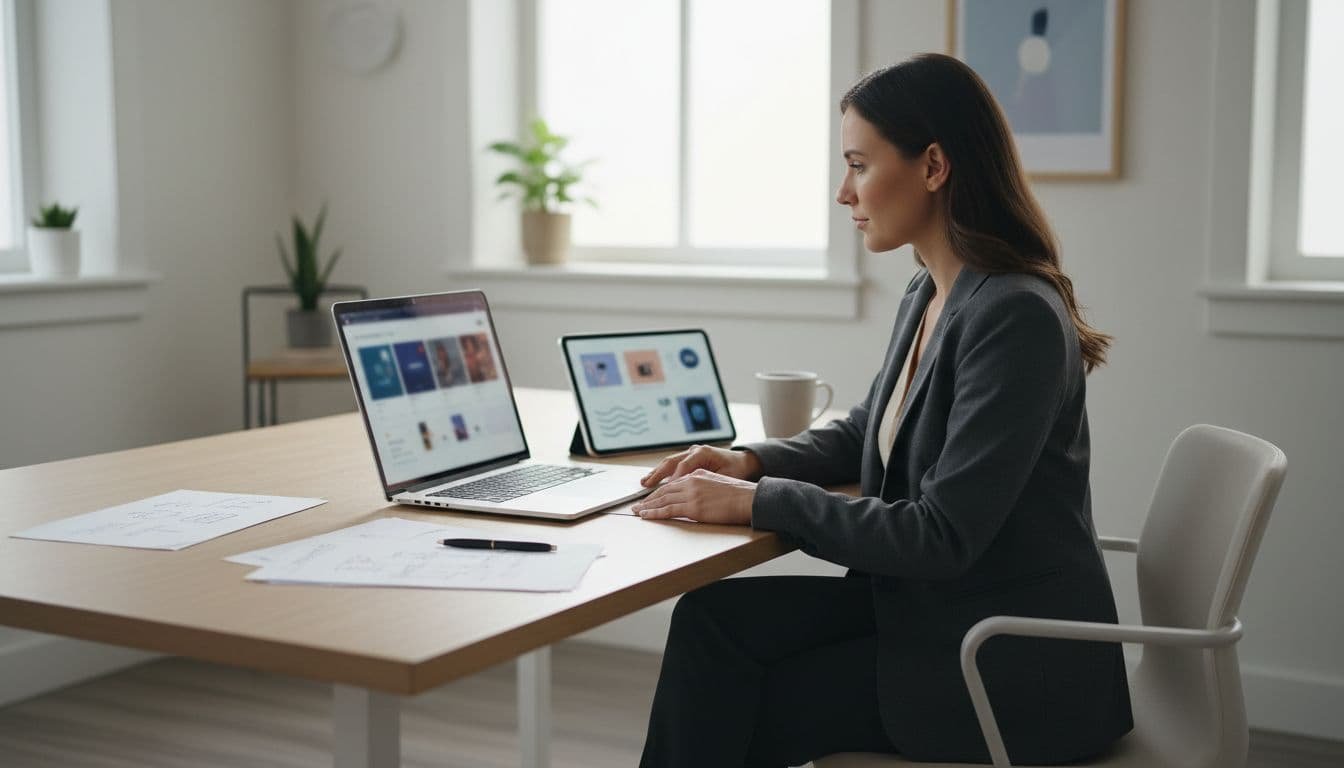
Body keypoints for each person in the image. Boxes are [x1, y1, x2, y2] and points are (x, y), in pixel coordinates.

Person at [630, 53, 1134, 767]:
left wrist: (759, 501)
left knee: (735, 705)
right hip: (935, 610)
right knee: (711, 622)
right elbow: (868, 431)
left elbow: (940, 536)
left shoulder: (1014, 314)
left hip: (1005, 659)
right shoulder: (931, 291)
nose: (844, 192)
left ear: (933, 166)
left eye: (859, 165)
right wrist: (749, 462)